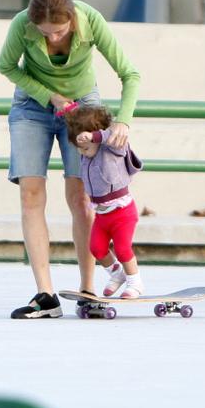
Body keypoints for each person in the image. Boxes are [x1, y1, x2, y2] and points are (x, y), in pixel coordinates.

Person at [0, 0, 141, 319]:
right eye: (45, 33)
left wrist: (124, 121)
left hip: (83, 107)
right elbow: (7, 66)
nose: (53, 38)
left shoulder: (91, 20)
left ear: (72, 21)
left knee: (82, 196)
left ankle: (88, 289)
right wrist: (50, 96)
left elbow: (130, 74)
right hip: (32, 107)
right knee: (31, 195)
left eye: (59, 31)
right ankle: (46, 296)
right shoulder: (22, 24)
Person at [65, 106, 144, 298]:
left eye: (85, 148)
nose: (83, 153)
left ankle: (135, 282)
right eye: (79, 150)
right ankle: (117, 274)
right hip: (102, 214)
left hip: (122, 212)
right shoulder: (87, 157)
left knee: (122, 248)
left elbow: (113, 135)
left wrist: (94, 137)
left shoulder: (113, 148)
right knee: (97, 248)